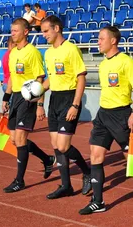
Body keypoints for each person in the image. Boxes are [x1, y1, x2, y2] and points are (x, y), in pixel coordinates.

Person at [78, 26, 133, 215]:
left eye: (101, 38)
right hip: (103, 115)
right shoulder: (102, 64)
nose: (98, 42)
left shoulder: (126, 62)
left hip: (121, 116)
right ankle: (98, 201)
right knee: (95, 155)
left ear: (113, 41)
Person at [40, 15, 91, 199]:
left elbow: (81, 77)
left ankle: (87, 171)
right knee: (55, 145)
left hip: (69, 98)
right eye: (42, 32)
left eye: (46, 31)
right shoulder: (48, 53)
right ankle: (66, 186)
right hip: (54, 98)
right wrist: (35, 93)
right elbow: (51, 79)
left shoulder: (71, 49)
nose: (43, 35)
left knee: (63, 145)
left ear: (56, 28)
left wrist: (75, 105)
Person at [1, 18, 55, 193]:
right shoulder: (13, 53)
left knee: (21, 140)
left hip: (28, 98)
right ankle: (47, 159)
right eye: (12, 30)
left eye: (15, 30)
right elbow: (11, 80)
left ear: (26, 32)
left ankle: (19, 180)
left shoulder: (33, 52)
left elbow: (40, 78)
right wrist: (5, 98)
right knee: (15, 140)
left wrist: (40, 103)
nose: (12, 33)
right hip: (15, 97)